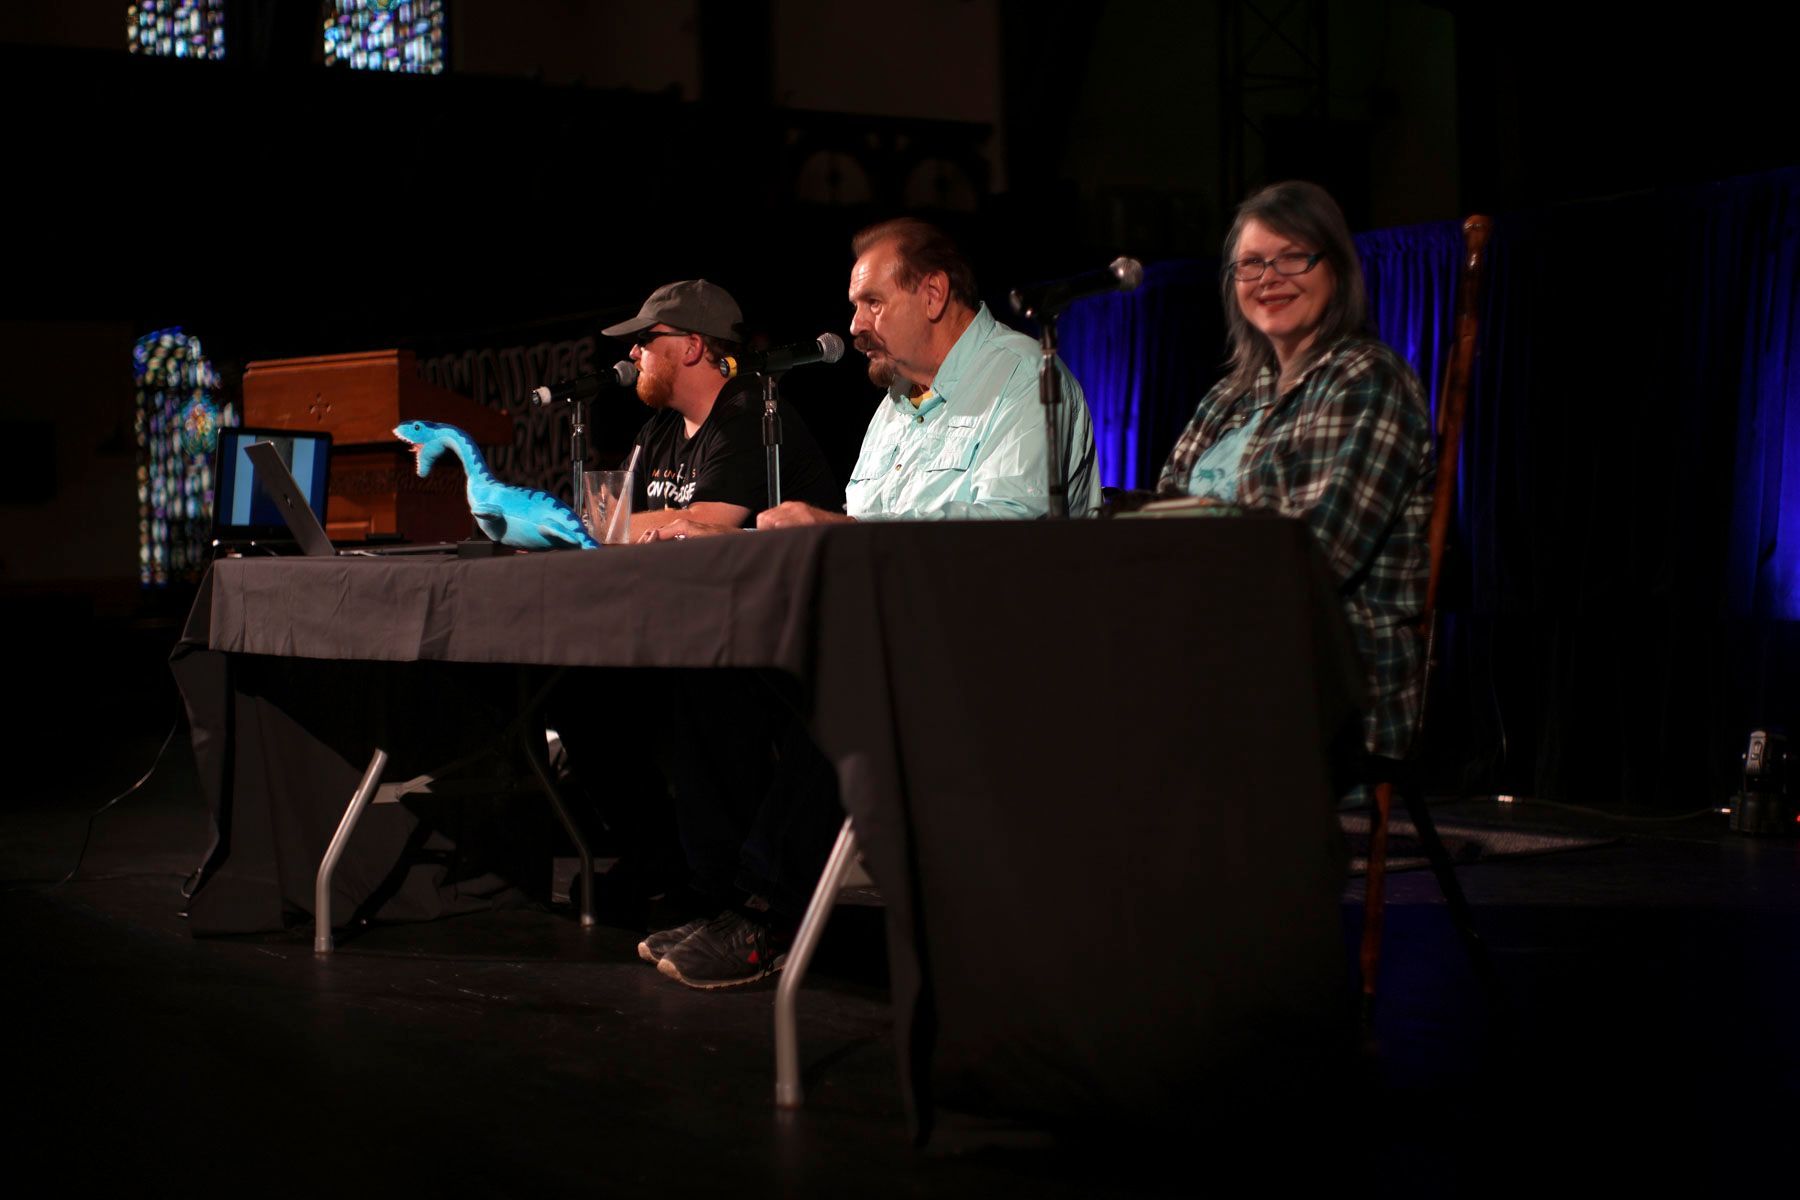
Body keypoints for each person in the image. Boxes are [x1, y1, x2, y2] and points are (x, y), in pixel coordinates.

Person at [1156, 180, 1434, 761]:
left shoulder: (1367, 379)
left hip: (1329, 671)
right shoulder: (1229, 397)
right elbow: (1158, 518)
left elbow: (1317, 556)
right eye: (1251, 263)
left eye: (1292, 257)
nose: (1268, 278)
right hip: (1206, 645)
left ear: (1336, 268)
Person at [644, 217, 1100, 540]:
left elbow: (1014, 529)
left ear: (933, 294)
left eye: (873, 303)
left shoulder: (1023, 375)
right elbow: (860, 529)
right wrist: (730, 540)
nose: (855, 326)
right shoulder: (896, 402)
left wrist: (845, 529)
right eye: (855, 306)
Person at [600, 279, 841, 534]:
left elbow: (700, 526)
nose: (633, 353)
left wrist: (602, 527)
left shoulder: (752, 415)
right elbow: (608, 507)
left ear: (692, 347)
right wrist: (603, 523)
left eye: (644, 339)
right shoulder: (658, 429)